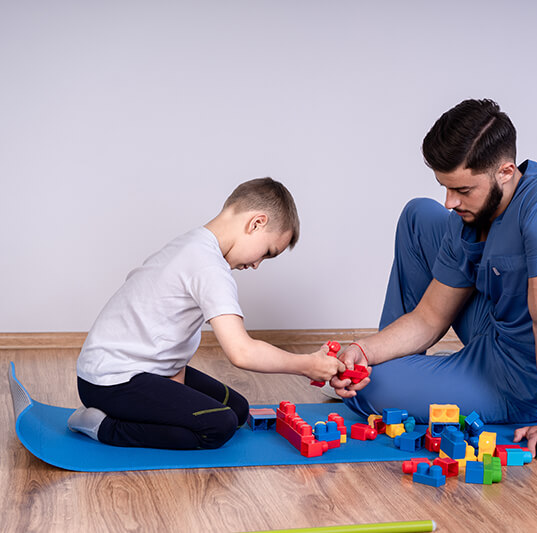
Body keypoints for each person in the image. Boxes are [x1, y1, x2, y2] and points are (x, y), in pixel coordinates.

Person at [331, 99, 537, 462]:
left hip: (520, 373)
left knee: (371, 390)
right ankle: (393, 367)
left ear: (506, 172)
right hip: (494, 324)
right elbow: (430, 317)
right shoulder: (474, 213)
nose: (449, 201)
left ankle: (394, 379)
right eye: (446, 187)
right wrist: (364, 351)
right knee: (419, 215)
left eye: (462, 190)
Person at [68, 177, 344, 450]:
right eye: (268, 252)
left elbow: (166, 331)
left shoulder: (193, 244)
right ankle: (102, 426)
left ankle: (124, 414)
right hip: (110, 381)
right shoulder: (208, 266)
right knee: (218, 427)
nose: (258, 264)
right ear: (256, 223)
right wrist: (306, 365)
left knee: (237, 410)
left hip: (132, 371)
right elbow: (242, 352)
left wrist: (172, 392)